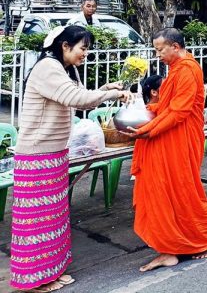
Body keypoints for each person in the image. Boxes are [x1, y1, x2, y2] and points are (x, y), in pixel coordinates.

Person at [10, 26, 130, 291]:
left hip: (53, 154)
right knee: (37, 223)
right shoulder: (48, 68)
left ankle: (51, 272)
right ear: (65, 46)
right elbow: (77, 98)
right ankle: (34, 281)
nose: (85, 54)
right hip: (37, 156)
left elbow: (79, 99)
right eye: (82, 48)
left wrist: (105, 88)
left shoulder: (62, 69)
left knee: (53, 219)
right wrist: (113, 93)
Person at [122, 27, 207, 272]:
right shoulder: (176, 69)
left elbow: (179, 111)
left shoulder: (187, 70)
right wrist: (146, 111)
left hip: (180, 140)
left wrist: (148, 130)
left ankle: (203, 238)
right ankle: (168, 250)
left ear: (175, 47)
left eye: (160, 50)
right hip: (168, 137)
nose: (157, 55)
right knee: (161, 192)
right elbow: (168, 106)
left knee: (182, 190)